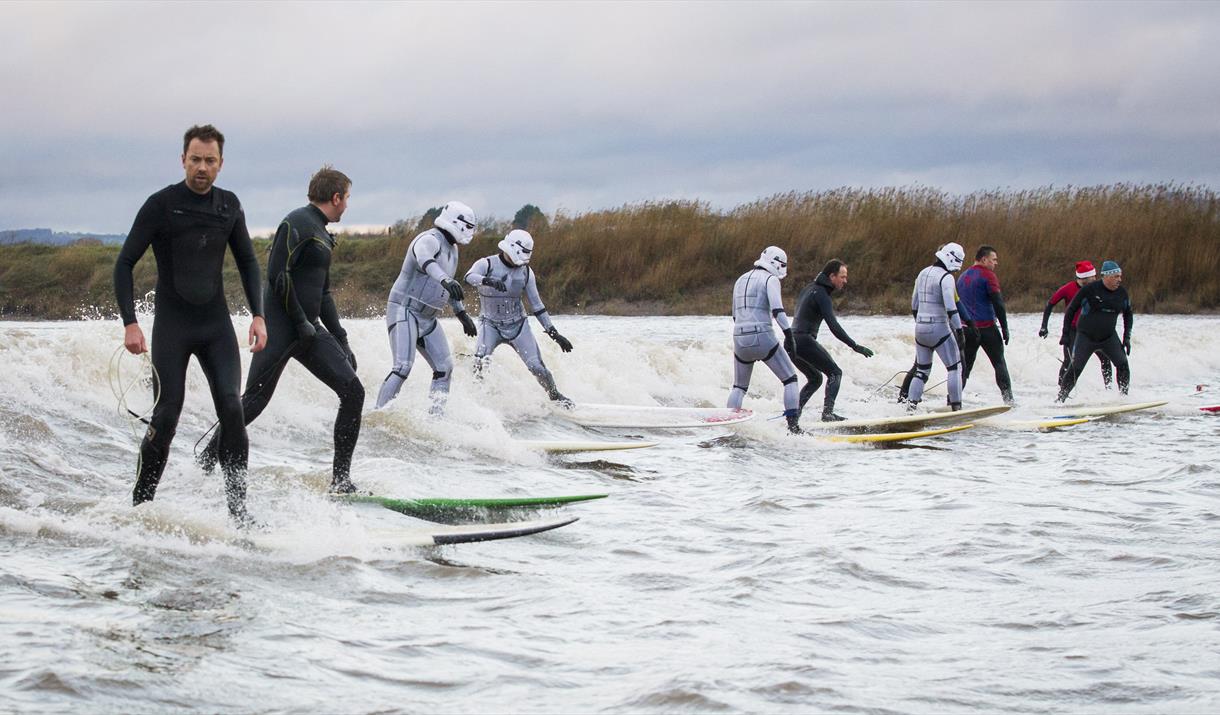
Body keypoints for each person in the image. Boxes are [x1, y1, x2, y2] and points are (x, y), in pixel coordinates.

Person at [113, 124, 266, 525]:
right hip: (173, 327)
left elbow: (248, 262)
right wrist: (130, 323)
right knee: (166, 416)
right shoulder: (160, 205)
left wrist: (259, 315)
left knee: (232, 409)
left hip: (215, 327)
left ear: (221, 164)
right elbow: (124, 263)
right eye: (195, 159)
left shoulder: (229, 206)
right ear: (183, 159)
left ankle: (240, 516)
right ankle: (140, 510)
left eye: (209, 160)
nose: (202, 167)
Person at [198, 167, 365, 494]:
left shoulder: (322, 233)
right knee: (253, 402)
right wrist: (300, 321)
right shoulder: (296, 223)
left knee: (353, 392)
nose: (347, 205)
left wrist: (341, 339)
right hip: (281, 328)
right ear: (335, 197)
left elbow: (324, 293)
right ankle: (205, 461)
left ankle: (341, 481)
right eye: (346, 198)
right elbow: (277, 275)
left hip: (309, 331)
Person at [376, 201, 479, 410]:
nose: (470, 232)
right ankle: (377, 414)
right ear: (455, 222)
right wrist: (446, 280)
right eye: (468, 226)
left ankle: (436, 419)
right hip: (404, 310)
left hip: (428, 318)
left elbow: (449, 286)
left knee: (444, 368)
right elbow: (426, 261)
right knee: (403, 367)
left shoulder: (453, 249)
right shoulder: (429, 239)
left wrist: (461, 313)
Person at [463, 229, 574, 405]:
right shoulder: (487, 264)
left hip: (518, 326)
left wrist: (554, 333)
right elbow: (469, 276)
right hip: (489, 325)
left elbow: (537, 306)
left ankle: (554, 396)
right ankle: (477, 400)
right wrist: (487, 280)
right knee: (480, 362)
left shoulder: (526, 272)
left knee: (537, 367)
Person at [726, 246, 803, 434]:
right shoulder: (771, 279)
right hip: (763, 335)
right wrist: (789, 335)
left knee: (739, 387)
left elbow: (735, 315)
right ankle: (793, 428)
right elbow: (778, 310)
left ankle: (728, 424)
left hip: (739, 336)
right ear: (778, 264)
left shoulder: (740, 280)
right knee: (790, 379)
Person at [788, 259, 874, 421]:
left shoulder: (808, 288)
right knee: (835, 373)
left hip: (791, 342)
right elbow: (833, 326)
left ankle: (793, 417)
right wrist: (854, 346)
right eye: (842, 277)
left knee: (815, 379)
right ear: (832, 276)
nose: (845, 281)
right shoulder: (822, 295)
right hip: (804, 340)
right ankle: (827, 414)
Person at [905, 242, 968, 411]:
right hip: (939, 328)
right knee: (955, 367)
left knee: (922, 371)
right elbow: (951, 307)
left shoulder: (923, 273)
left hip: (920, 328)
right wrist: (959, 331)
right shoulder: (946, 278)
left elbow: (914, 304)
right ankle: (956, 407)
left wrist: (920, 323)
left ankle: (910, 408)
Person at [1057, 260, 1132, 401]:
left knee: (1123, 364)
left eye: (1120, 276)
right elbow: (1071, 310)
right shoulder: (1090, 290)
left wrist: (1126, 337)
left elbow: (1128, 315)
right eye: (1116, 276)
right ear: (1106, 277)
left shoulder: (1122, 293)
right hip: (1086, 337)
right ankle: (1060, 399)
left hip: (1109, 337)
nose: (1119, 280)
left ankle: (1123, 398)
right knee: (1075, 368)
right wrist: (1065, 334)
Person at [1039, 260, 1113, 387]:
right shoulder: (1068, 288)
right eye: (1092, 276)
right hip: (1073, 331)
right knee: (1069, 361)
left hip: (1093, 331)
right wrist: (1044, 326)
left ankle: (1109, 388)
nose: (1095, 279)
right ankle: (1061, 390)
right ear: (1084, 278)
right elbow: (1050, 304)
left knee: (1105, 360)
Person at [956, 245, 1013, 404]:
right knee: (999, 363)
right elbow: (998, 302)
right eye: (994, 260)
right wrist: (1005, 327)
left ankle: (954, 401)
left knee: (965, 369)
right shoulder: (988, 275)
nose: (996, 263)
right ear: (984, 259)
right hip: (987, 329)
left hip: (967, 329)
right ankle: (1009, 401)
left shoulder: (962, 276)